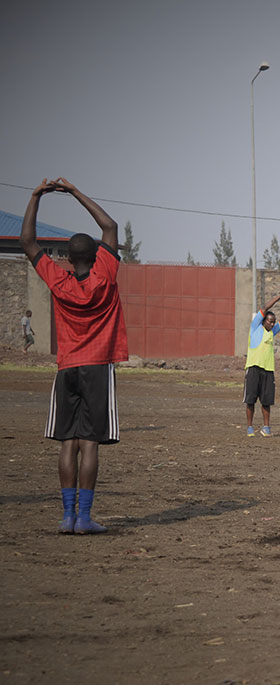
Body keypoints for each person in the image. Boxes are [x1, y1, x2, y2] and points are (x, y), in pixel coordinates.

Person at [21, 178, 125, 534]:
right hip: (98, 366)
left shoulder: (58, 281)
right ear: (98, 256)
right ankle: (84, 518)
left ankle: (67, 517)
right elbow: (109, 226)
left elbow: (28, 242)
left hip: (67, 367)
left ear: (66, 258)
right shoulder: (106, 274)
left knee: (68, 440)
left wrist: (37, 196)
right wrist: (76, 192)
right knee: (90, 442)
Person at [244, 293, 280, 437]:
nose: (272, 324)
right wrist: (278, 297)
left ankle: (266, 427)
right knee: (250, 400)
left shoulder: (272, 332)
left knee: (266, 401)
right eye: (269, 321)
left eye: (273, 322)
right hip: (254, 368)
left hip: (268, 371)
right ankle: (250, 427)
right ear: (263, 321)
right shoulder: (255, 327)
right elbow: (265, 307)